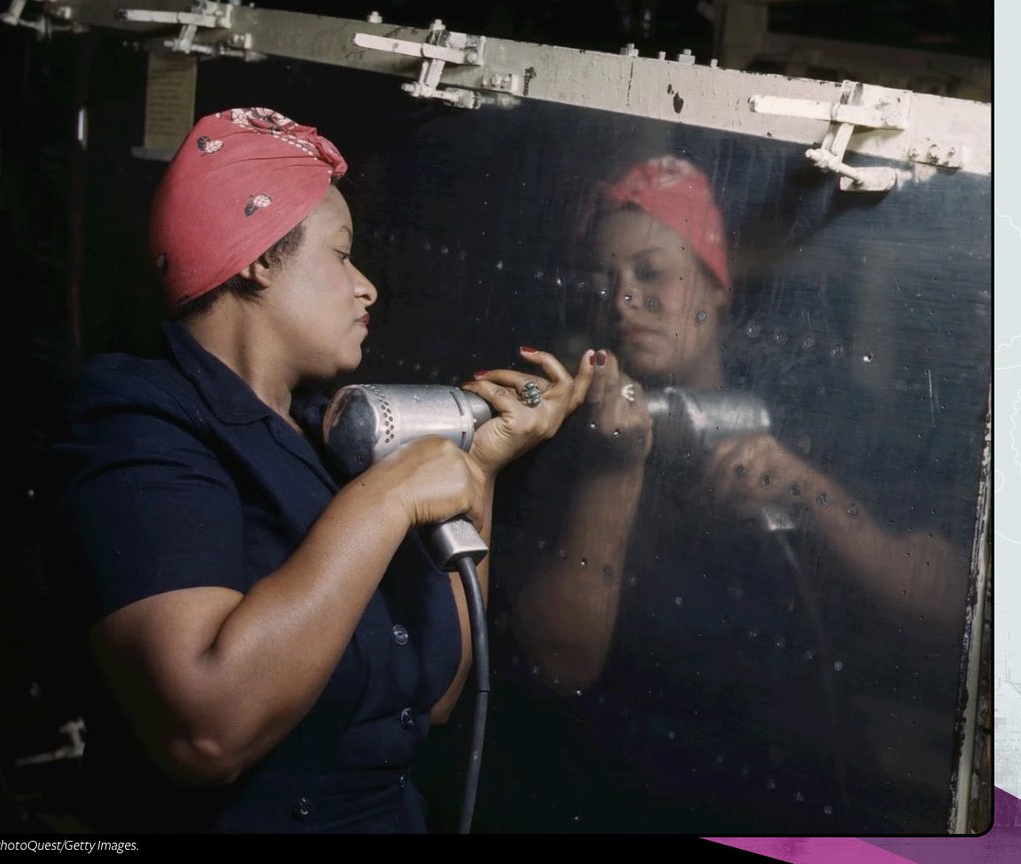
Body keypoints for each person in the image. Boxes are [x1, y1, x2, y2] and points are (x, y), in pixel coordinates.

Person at [50, 106, 595, 834]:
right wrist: (388, 500)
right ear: (259, 255)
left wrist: (482, 469)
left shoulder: (325, 437)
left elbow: (431, 696)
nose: (366, 287)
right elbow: (204, 732)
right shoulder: (138, 420)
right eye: (341, 256)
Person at [492, 155, 964, 831]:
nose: (623, 299)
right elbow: (560, 662)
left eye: (653, 273)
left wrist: (812, 495)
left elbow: (948, 615)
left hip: (800, 798)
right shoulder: (560, 433)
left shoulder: (815, 412)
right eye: (604, 280)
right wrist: (611, 471)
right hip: (620, 793)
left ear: (716, 286)